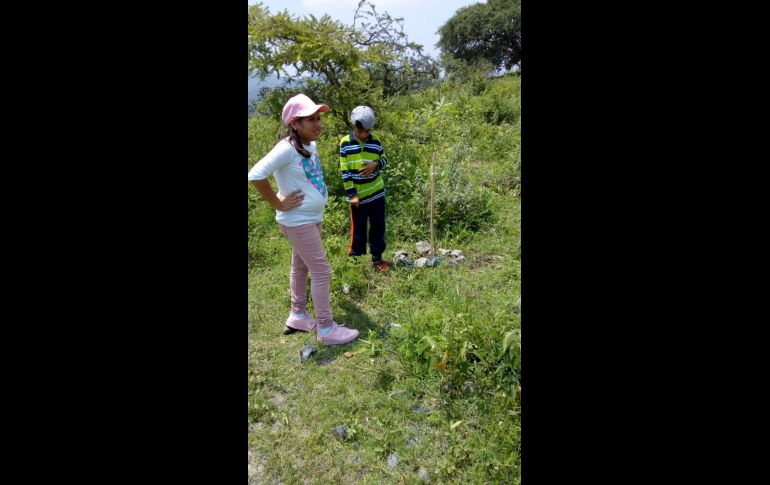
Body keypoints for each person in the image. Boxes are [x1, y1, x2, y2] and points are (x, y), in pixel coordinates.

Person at [248, 94, 359, 345]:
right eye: (311, 119)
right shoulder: (286, 148)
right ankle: (326, 328)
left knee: (300, 266)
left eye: (318, 118)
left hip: (309, 218)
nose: (318, 123)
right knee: (321, 270)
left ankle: (297, 315)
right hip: (297, 220)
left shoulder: (310, 145)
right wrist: (278, 202)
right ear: (295, 123)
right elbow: (255, 174)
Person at [339, 105, 390, 272]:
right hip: (357, 197)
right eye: (359, 131)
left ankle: (377, 259)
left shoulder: (375, 141)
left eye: (366, 132)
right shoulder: (345, 143)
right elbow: (345, 172)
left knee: (378, 227)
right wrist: (352, 195)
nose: (363, 135)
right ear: (353, 126)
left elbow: (384, 159)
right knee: (358, 230)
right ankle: (356, 262)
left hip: (377, 194)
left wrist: (376, 164)